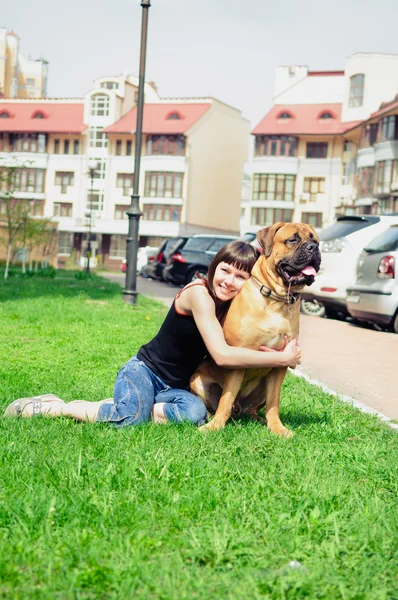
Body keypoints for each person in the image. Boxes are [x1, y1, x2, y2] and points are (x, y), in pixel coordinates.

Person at [4, 241, 302, 426]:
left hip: (176, 387)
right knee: (130, 420)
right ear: (213, 267)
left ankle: (133, 406)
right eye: (225, 270)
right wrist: (281, 359)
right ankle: (56, 407)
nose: (230, 281)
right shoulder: (198, 294)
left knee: (195, 415)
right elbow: (223, 355)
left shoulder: (234, 307)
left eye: (241, 277)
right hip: (145, 372)